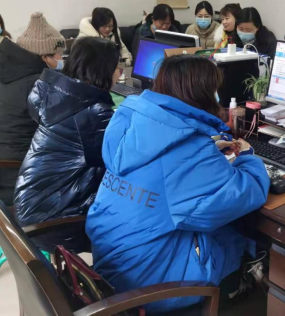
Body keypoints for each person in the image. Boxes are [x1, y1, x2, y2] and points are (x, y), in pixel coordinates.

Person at [86, 55, 270, 314]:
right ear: (202, 93)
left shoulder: (130, 124)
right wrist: (248, 157)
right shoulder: (189, 150)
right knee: (244, 238)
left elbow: (165, 174)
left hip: (112, 264)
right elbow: (244, 193)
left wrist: (207, 151)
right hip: (152, 285)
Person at [14, 37, 120, 251]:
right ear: (102, 70)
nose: (119, 73)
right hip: (55, 223)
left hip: (30, 205)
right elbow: (119, 162)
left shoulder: (54, 95)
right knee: (142, 215)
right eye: (117, 68)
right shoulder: (93, 113)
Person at [0, 12, 65, 188]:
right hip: (15, 169)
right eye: (58, 54)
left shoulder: (10, 72)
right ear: (43, 57)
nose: (61, 59)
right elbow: (62, 126)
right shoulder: (38, 83)